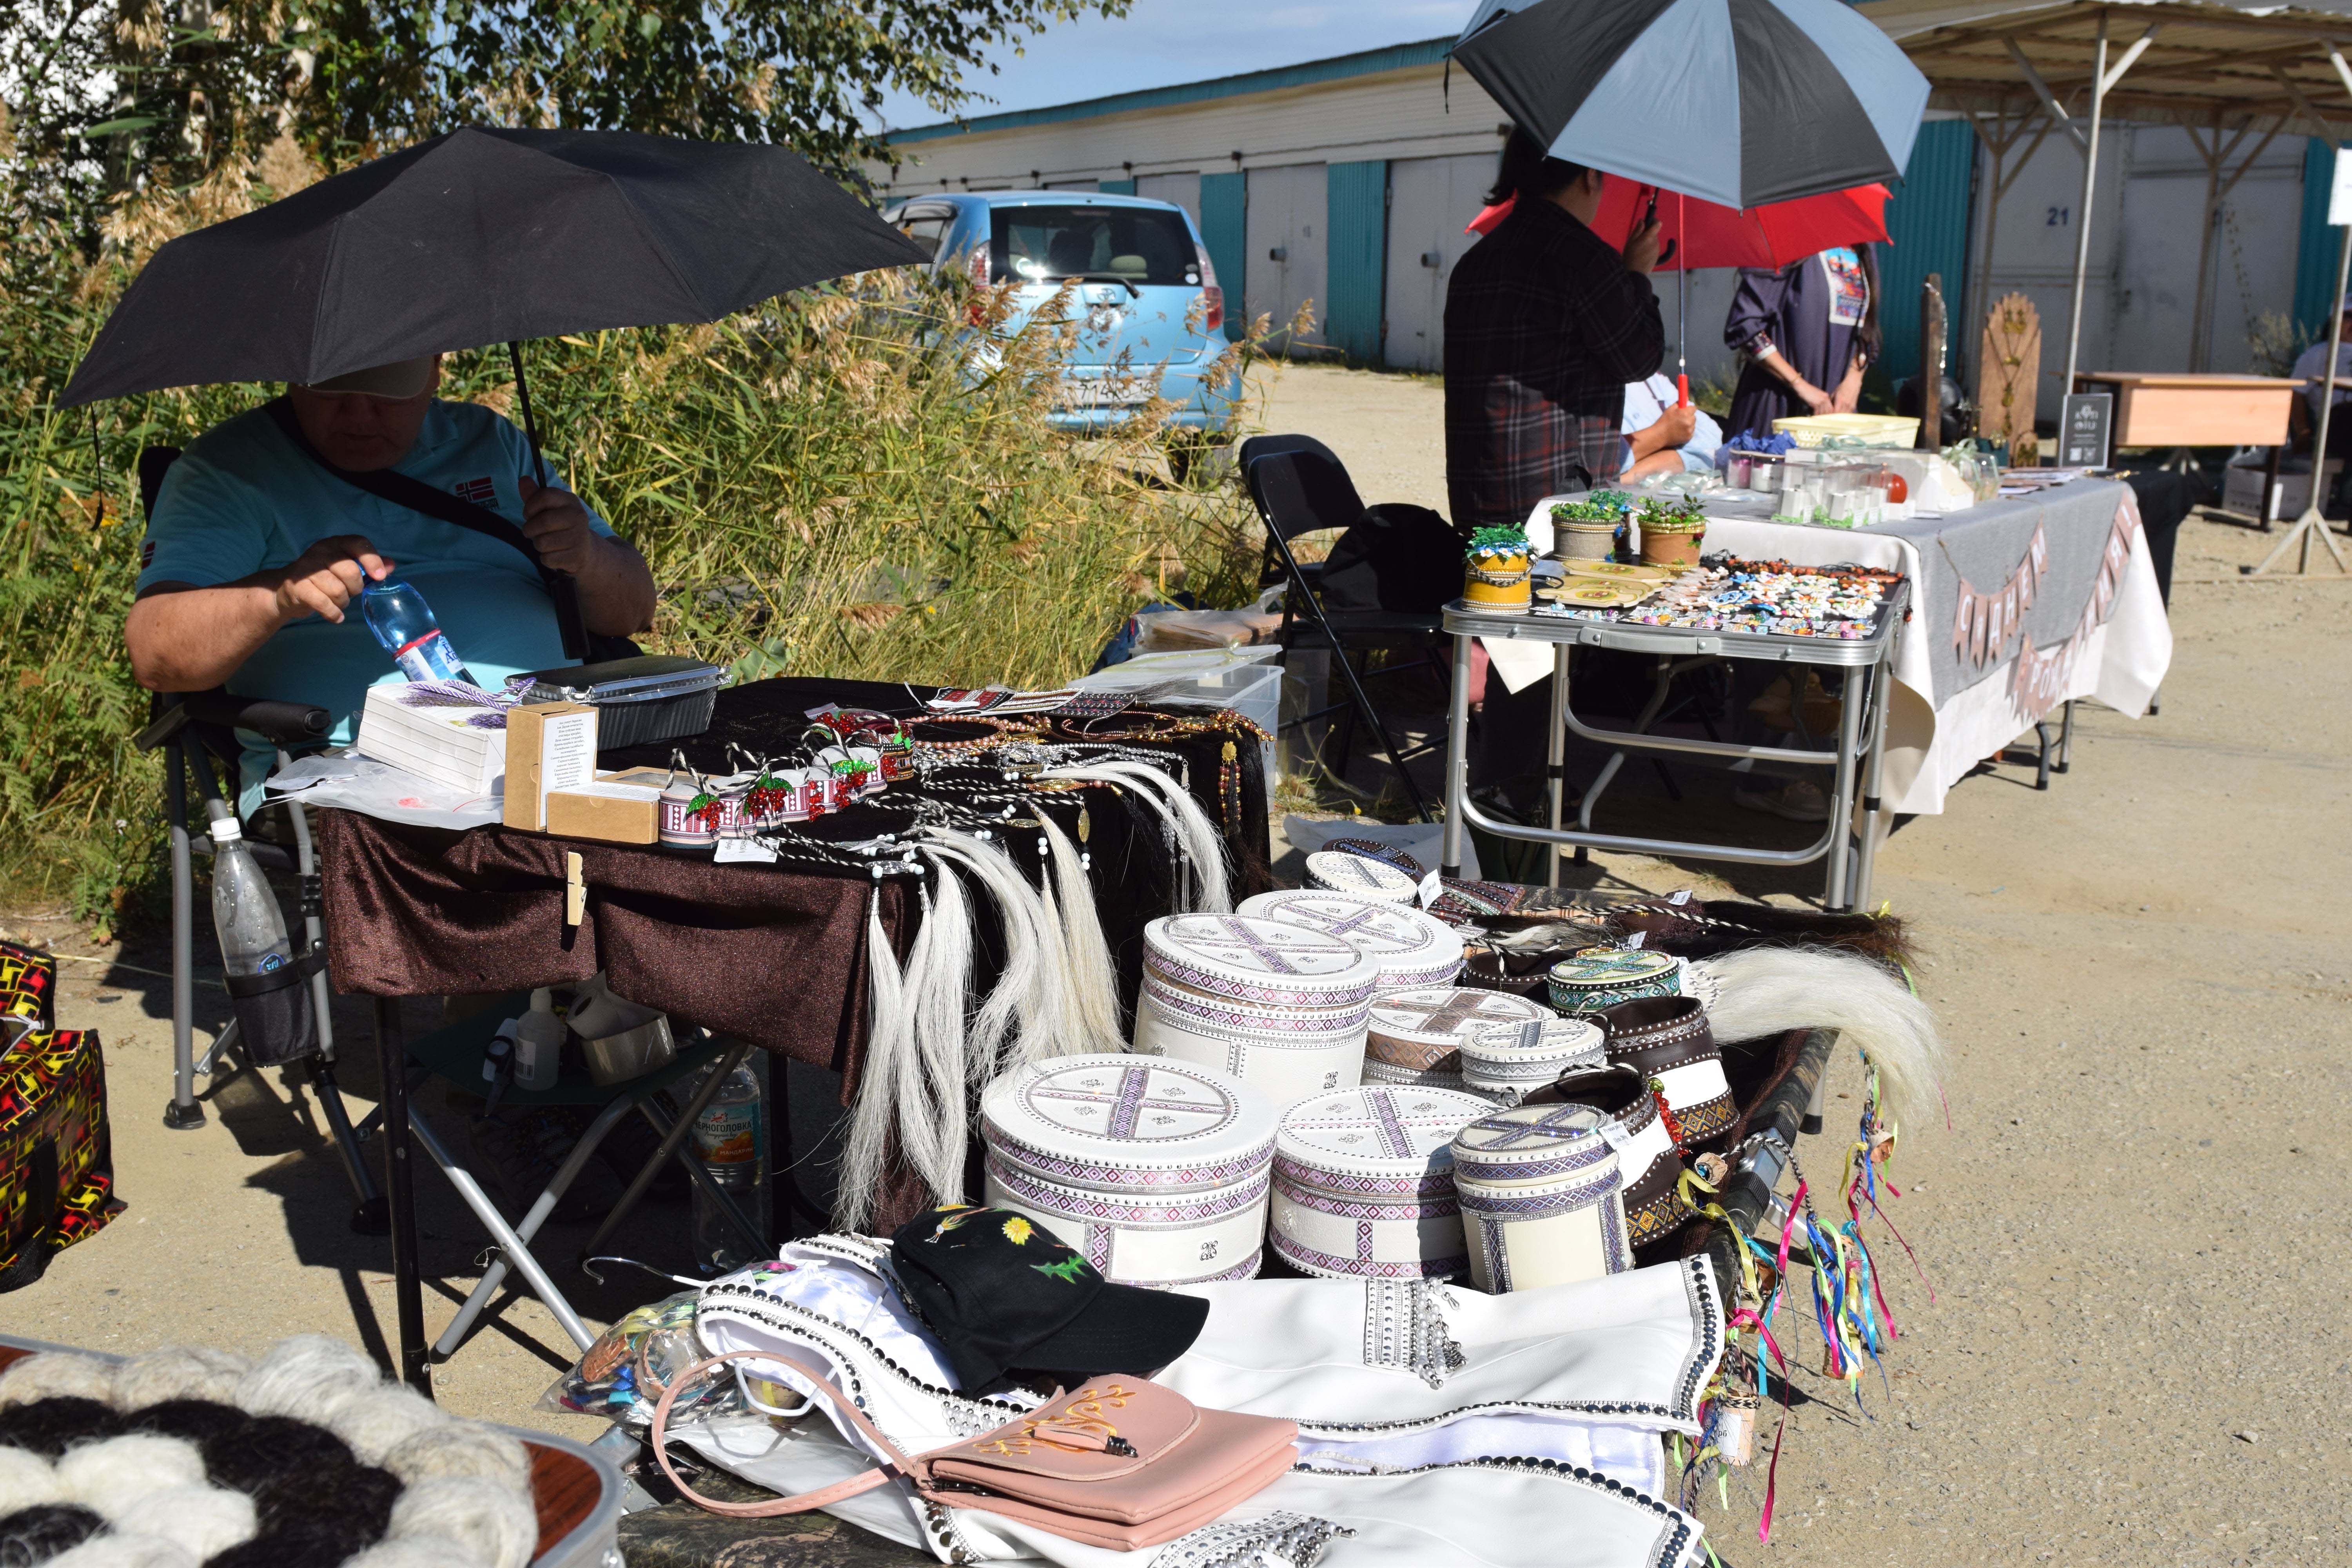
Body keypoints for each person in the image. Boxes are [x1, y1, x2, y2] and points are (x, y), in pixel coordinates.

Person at [126, 355, 658, 815]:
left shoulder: (490, 441)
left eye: (388, 391)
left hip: (562, 743)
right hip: (363, 770)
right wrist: (279, 595)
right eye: (332, 390)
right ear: (294, 377)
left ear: (434, 370)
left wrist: (585, 557)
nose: (359, 414)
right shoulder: (230, 469)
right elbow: (155, 654)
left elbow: (633, 610)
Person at [1444, 131, 1664, 530]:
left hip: (1479, 488)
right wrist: (1637, 276)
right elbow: (1638, 358)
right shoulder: (1585, 259)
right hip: (1558, 500)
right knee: (1558, 576)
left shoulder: (1475, 261)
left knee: (1488, 573)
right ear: (1589, 176)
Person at [1722, 245, 1882, 440]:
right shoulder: (1787, 241)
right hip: (1777, 412)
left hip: (1836, 416)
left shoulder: (1863, 245)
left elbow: (1868, 331)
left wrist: (1853, 381)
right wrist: (1799, 385)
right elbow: (1745, 327)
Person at [1619, 374, 1724, 481]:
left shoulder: (1651, 378)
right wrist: (1662, 434)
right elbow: (1608, 459)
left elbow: (1712, 443)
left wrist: (1635, 473)